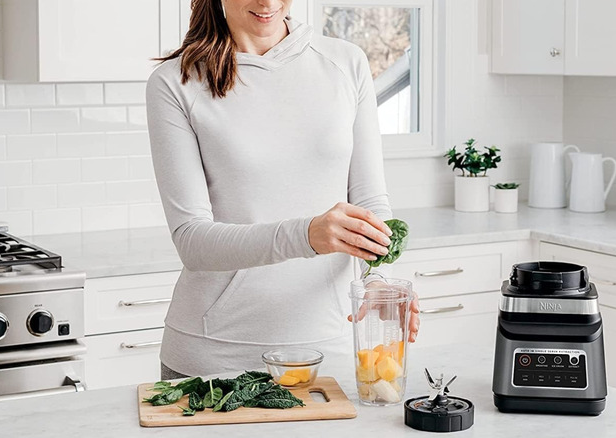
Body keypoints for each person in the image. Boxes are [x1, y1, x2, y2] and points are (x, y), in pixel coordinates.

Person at [146, 0, 420, 379]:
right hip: (213, 360)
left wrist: (376, 279)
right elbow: (192, 240)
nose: (268, 2)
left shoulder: (345, 63)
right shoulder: (177, 82)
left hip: (328, 353)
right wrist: (306, 236)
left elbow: (370, 203)